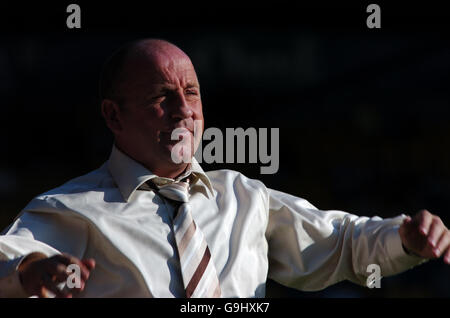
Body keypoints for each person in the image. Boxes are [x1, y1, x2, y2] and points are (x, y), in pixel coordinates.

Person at [0, 39, 449, 298]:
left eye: (191, 93)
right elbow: (13, 254)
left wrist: (404, 238)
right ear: (114, 116)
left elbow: (342, 243)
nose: (183, 111)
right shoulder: (74, 208)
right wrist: (34, 270)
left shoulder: (244, 196)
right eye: (162, 98)